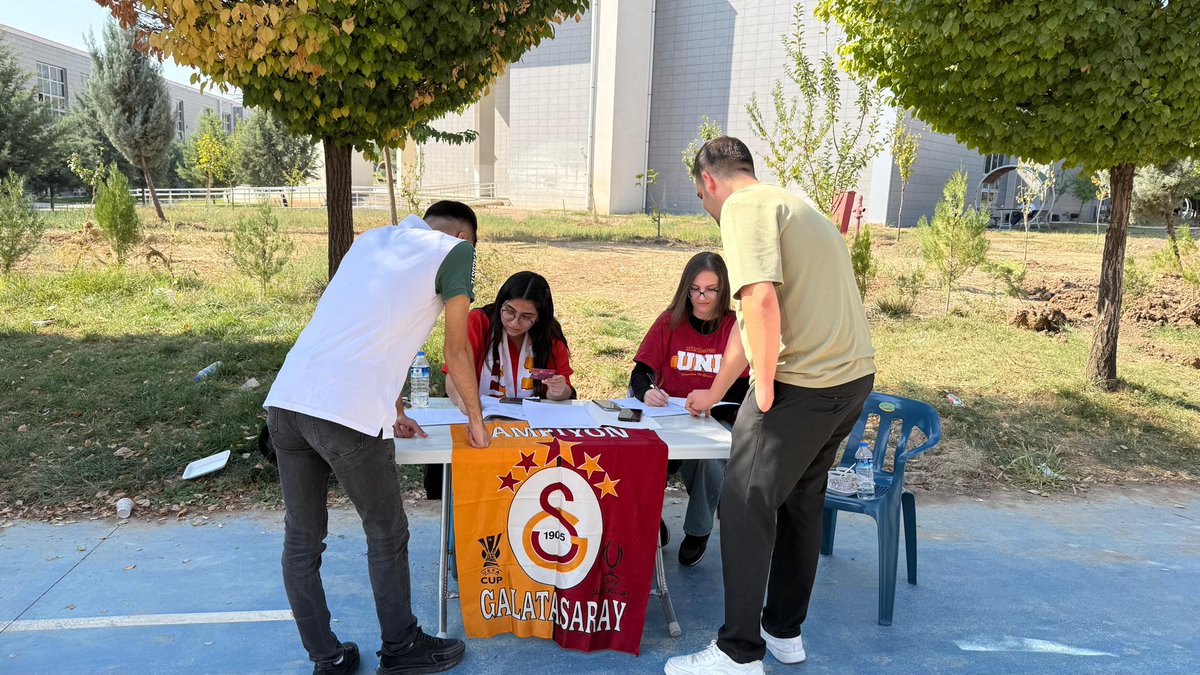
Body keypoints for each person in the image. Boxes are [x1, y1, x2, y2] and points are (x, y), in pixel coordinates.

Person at [665, 137, 876, 675]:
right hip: (850, 381)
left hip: (802, 385)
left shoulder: (743, 207)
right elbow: (747, 315)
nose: (707, 209)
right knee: (800, 502)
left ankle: (737, 653)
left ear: (710, 180)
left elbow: (758, 297)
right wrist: (715, 392)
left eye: (699, 196)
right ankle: (783, 633)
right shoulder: (792, 204)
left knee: (741, 504)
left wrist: (760, 392)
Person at [263, 200, 490, 675]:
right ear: (463, 239)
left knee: (303, 540)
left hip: (287, 401)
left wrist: (392, 408)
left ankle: (327, 658)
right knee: (386, 532)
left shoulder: (371, 241)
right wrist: (476, 420)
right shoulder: (455, 253)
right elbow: (456, 348)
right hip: (344, 415)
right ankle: (401, 645)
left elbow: (359, 327)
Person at [629, 252, 748, 567]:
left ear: (724, 290)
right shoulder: (669, 320)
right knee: (638, 454)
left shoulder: (734, 326)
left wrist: (712, 398)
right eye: (695, 289)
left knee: (708, 460)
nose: (702, 297)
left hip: (715, 415)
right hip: (671, 415)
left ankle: (698, 530)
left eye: (711, 289)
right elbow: (640, 372)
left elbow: (742, 384)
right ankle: (653, 522)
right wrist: (648, 392)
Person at [445, 270, 574, 406]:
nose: (514, 323)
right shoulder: (478, 322)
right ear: (500, 303)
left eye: (526, 317)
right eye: (509, 311)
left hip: (531, 419)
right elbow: (454, 375)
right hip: (481, 413)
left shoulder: (549, 336)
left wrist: (558, 390)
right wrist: (464, 402)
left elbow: (563, 391)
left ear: (539, 317)